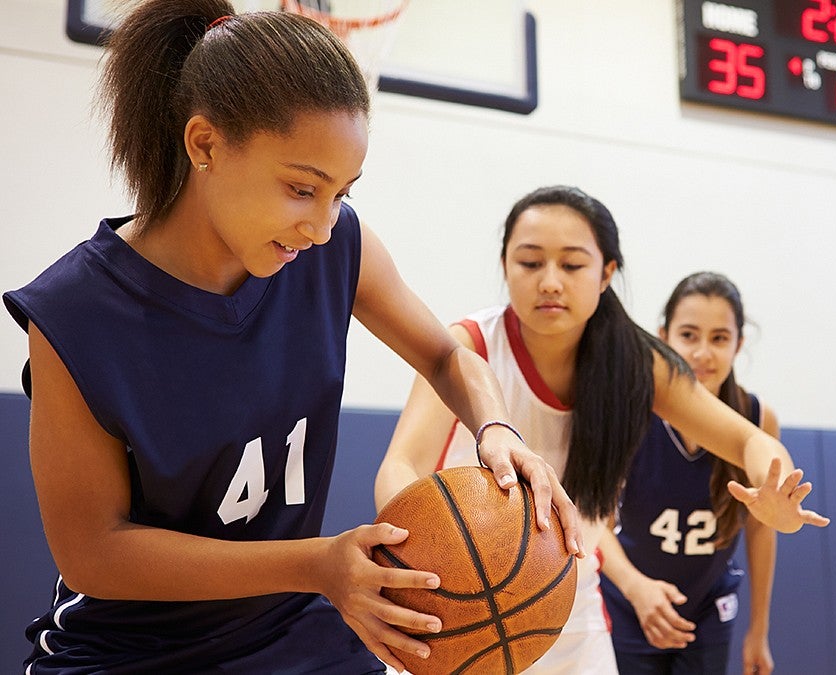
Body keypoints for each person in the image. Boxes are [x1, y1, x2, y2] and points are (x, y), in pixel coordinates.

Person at [1, 2, 582, 673]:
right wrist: (316, 562)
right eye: (303, 188)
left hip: (289, 627)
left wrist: (498, 429)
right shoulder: (76, 312)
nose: (325, 223)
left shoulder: (337, 250)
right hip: (129, 649)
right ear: (205, 144)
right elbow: (94, 553)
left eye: (342, 193)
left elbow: (449, 353)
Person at [374, 186, 829, 674]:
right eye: (530, 263)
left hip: (567, 608)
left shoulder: (637, 364)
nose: (550, 281)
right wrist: (421, 558)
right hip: (454, 603)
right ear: (505, 265)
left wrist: (774, 490)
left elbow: (749, 439)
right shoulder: (469, 345)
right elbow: (401, 465)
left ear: (607, 273)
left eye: (572, 266)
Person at [597, 271, 778, 675]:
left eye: (719, 338)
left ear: (739, 344)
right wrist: (634, 587)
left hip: (708, 605)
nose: (703, 353)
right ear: (663, 337)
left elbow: (763, 527)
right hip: (631, 599)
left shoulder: (757, 418)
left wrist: (759, 628)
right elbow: (596, 521)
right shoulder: (630, 411)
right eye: (689, 335)